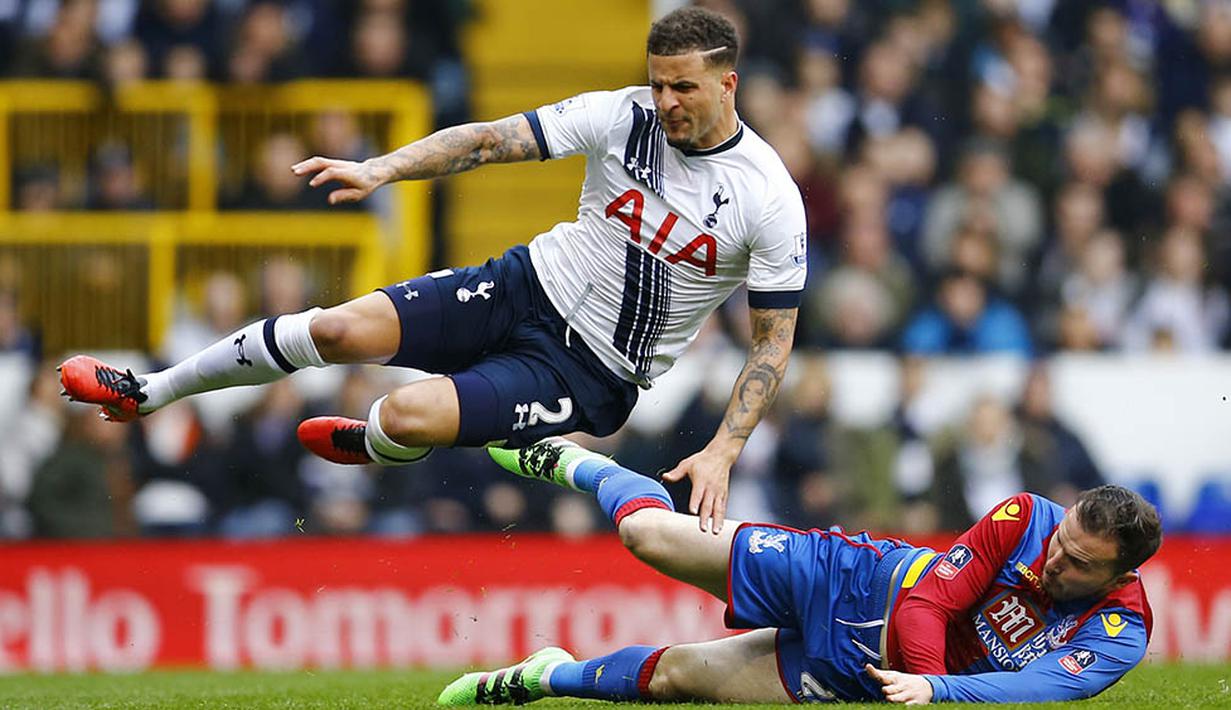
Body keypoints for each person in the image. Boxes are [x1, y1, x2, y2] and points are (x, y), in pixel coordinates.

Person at [57, 7, 807, 534]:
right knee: (338, 328)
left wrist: (721, 449)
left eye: (684, 88)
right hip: (523, 283)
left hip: (587, 372)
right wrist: (382, 168)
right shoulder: (622, 115)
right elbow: (490, 140)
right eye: (658, 84)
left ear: (728, 84)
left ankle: (376, 443)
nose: (665, 102)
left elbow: (770, 342)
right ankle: (150, 392)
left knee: (405, 416)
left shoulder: (766, 196)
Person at [434, 437, 1160, 705]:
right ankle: (580, 461)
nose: (1054, 558)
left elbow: (1032, 688)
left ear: (1118, 574)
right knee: (651, 540)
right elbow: (925, 608)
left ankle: (539, 676)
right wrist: (933, 689)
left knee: (681, 678)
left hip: (870, 682)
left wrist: (925, 693)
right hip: (854, 581)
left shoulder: (1119, 630)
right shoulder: (1026, 517)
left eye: (1076, 563)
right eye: (1061, 540)